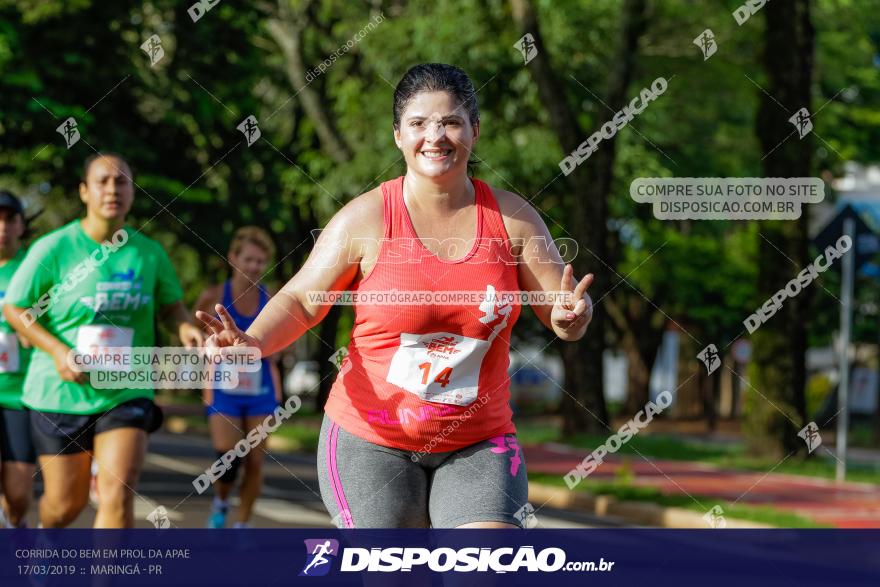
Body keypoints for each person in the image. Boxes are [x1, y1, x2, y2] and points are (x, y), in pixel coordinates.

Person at [198, 63, 593, 529]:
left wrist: (572, 317)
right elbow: (303, 299)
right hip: (371, 439)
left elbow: (559, 309)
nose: (436, 136)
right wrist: (253, 340)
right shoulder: (364, 219)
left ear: (474, 131)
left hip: (479, 442)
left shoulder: (515, 220)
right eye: (419, 123)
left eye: (451, 122)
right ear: (398, 135)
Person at [3, 153, 204, 528]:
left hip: (125, 389)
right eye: (102, 181)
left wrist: (184, 327)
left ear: (132, 191)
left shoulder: (149, 253)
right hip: (60, 393)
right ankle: (47, 538)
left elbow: (171, 307)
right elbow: (16, 309)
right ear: (84, 191)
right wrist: (58, 350)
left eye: (122, 181)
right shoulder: (53, 248)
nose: (113, 189)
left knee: (117, 492)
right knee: (64, 507)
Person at [192, 226, 282, 528]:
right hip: (223, 389)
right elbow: (195, 340)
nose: (254, 266)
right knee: (228, 462)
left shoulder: (273, 299)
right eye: (249, 259)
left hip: (261, 390)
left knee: (256, 461)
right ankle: (221, 500)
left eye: (260, 261)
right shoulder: (215, 296)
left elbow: (282, 344)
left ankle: (242, 526)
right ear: (233, 258)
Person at [0, 190, 35, 527]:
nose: (2, 227)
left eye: (10, 219)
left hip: (21, 393)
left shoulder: (33, 266)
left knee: (19, 493)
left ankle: (16, 524)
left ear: (22, 225)